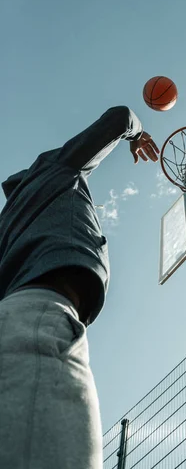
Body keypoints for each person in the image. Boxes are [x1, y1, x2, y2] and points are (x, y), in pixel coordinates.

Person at [0, 106, 159, 469]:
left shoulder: (11, 224)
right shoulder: (54, 169)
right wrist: (135, 135)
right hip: (38, 322)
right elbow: (119, 117)